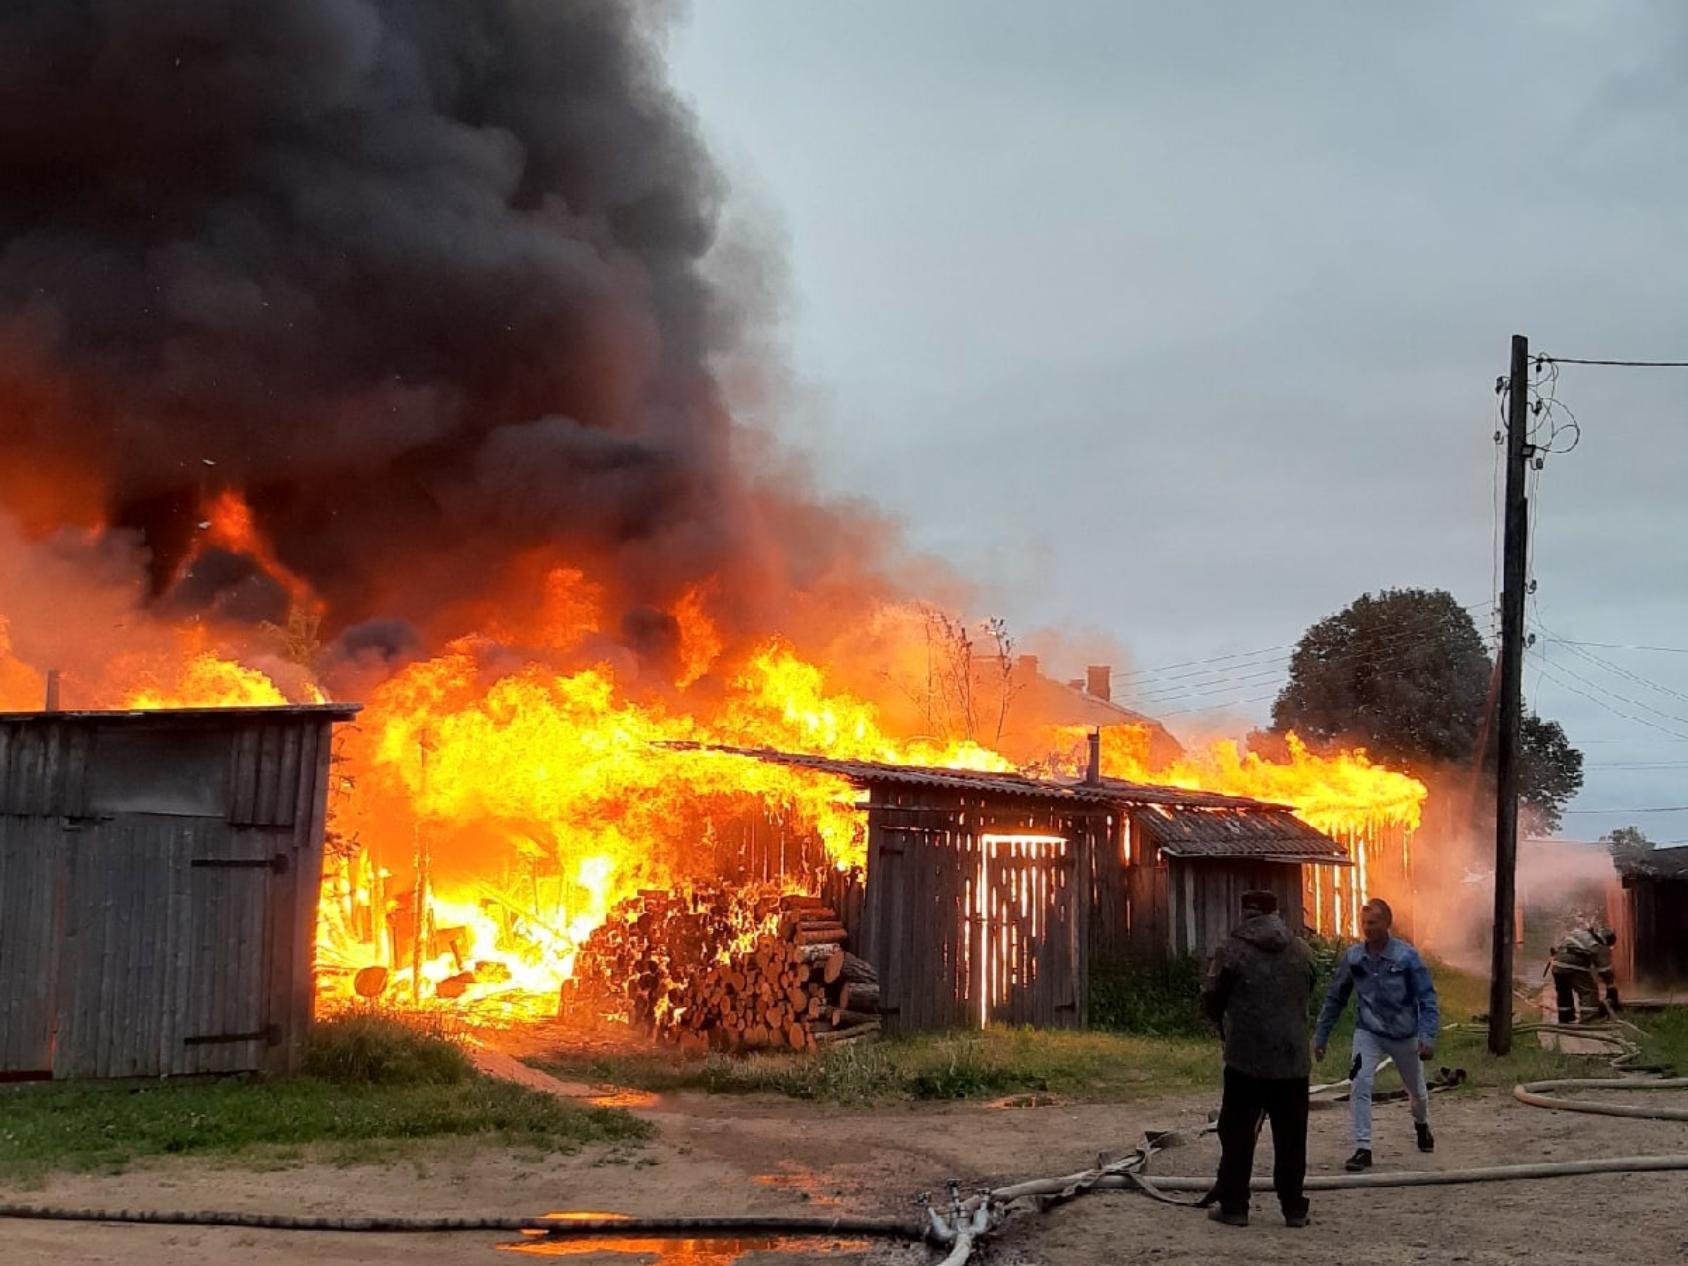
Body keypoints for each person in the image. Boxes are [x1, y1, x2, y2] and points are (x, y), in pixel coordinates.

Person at [1200, 888, 1317, 1229]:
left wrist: (1226, 1029)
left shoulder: (1231, 950)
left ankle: (1235, 1206)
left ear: (1246, 912)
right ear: (1276, 912)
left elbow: (1212, 998)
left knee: (1236, 1133)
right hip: (1293, 1060)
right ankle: (1294, 1209)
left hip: (1246, 1059)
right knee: (1292, 1137)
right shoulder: (1302, 950)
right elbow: (1308, 990)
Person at [1314, 898, 1439, 1172]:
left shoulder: (1406, 957)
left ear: (1387, 923)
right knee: (1359, 1080)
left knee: (1416, 1090)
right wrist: (1321, 1036)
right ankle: (1363, 1147)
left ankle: (1421, 1125)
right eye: (1364, 923)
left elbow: (1427, 998)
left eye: (1374, 923)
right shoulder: (1354, 957)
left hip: (1404, 1034)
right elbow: (1336, 997)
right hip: (1368, 1032)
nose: (1368, 929)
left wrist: (1427, 1037)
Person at [1549, 924, 1620, 1024]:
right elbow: (1605, 970)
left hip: (1557, 965)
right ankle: (1589, 1019)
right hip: (1573, 965)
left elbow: (1560, 944)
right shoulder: (1598, 945)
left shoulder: (1579, 933)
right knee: (1589, 990)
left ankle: (1565, 1019)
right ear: (1606, 940)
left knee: (1564, 992)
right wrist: (1611, 986)